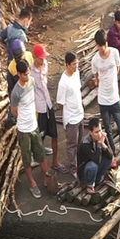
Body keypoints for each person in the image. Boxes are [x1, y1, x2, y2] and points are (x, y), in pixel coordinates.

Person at [91, 29, 120, 168]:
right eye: (100, 45)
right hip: (103, 100)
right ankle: (112, 157)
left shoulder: (115, 53)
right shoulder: (95, 60)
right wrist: (102, 82)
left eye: (104, 44)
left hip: (115, 98)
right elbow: (96, 78)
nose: (103, 48)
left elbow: (117, 67)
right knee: (108, 131)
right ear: (97, 45)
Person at [11, 60, 54, 199]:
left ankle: (46, 176)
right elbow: (14, 112)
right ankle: (32, 183)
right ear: (18, 74)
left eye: (28, 73)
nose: (27, 76)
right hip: (23, 130)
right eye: (24, 74)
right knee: (27, 158)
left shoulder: (32, 82)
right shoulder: (16, 92)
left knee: (40, 153)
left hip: (34, 126)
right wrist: (23, 120)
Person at [32, 44, 67, 173]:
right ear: (35, 57)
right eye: (40, 58)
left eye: (43, 57)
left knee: (54, 135)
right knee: (39, 139)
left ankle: (55, 162)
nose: (43, 60)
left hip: (48, 104)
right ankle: (44, 167)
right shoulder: (30, 72)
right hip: (39, 108)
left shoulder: (45, 64)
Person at [57, 51, 84, 181]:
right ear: (67, 65)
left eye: (77, 63)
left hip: (80, 114)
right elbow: (60, 103)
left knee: (80, 142)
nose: (76, 66)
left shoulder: (76, 74)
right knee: (71, 145)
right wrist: (69, 112)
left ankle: (79, 164)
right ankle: (73, 169)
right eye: (74, 64)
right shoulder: (63, 83)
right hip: (71, 118)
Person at [78, 118, 114, 194]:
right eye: (96, 132)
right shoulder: (85, 143)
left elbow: (110, 155)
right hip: (85, 170)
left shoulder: (102, 136)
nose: (100, 134)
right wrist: (99, 145)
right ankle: (89, 185)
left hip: (96, 163)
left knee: (109, 158)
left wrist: (104, 145)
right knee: (93, 165)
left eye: (100, 130)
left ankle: (99, 179)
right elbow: (96, 160)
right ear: (90, 132)